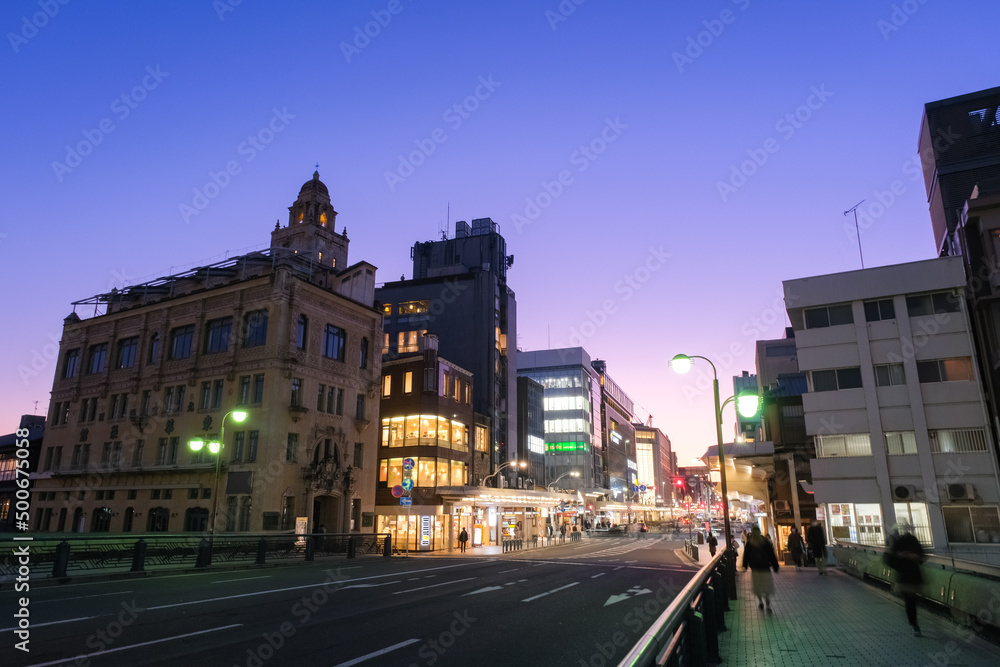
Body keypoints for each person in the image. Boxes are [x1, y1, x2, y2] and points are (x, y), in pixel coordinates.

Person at [885, 523, 927, 636]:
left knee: (910, 601)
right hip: (913, 576)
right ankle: (914, 624)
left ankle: (914, 624)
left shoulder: (895, 542)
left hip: (905, 576)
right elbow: (922, 556)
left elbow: (889, 559)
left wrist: (901, 557)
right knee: (912, 601)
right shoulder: (911, 540)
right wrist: (914, 557)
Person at [742, 526, 780, 610]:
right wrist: (775, 566)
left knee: (757, 586)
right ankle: (767, 602)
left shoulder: (749, 543)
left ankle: (760, 601)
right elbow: (771, 555)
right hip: (765, 567)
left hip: (755, 568)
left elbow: (746, 555)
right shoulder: (765, 541)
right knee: (766, 585)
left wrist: (745, 566)